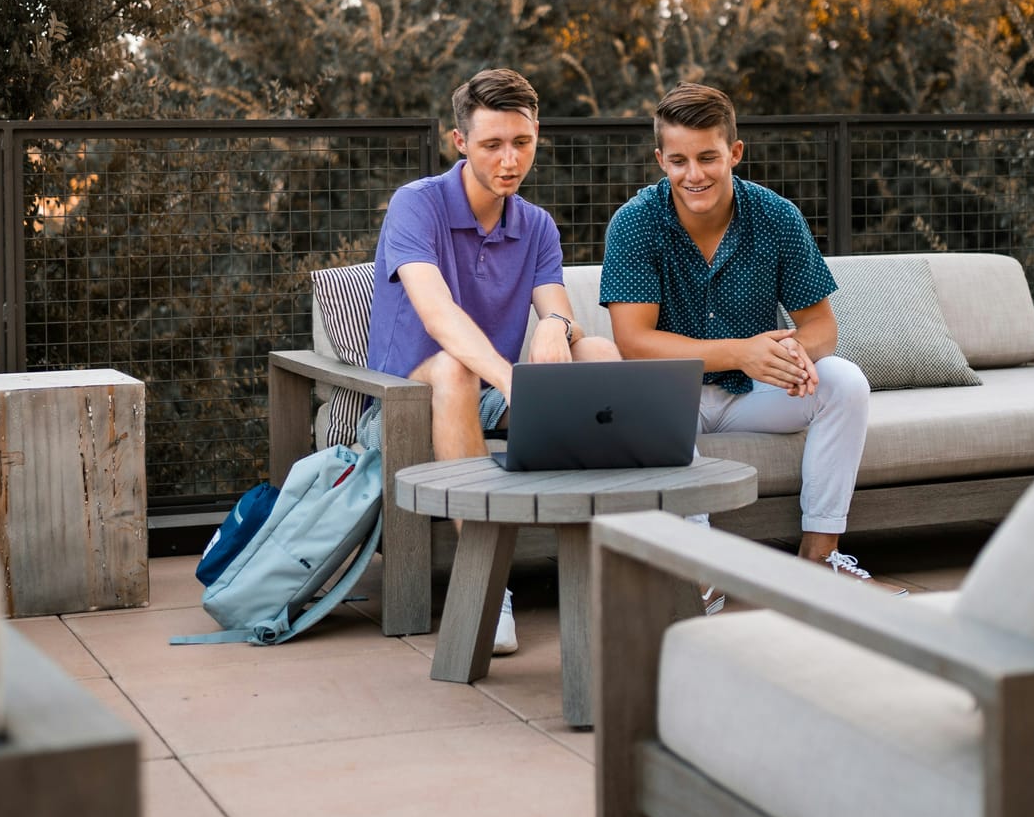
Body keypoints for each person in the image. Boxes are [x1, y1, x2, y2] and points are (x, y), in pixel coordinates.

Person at [365, 68, 620, 654]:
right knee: (455, 368)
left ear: (537, 136)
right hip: (404, 406)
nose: (510, 160)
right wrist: (512, 379)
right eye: (492, 145)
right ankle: (488, 588)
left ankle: (616, 566)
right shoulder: (416, 205)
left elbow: (559, 310)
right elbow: (438, 317)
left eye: (522, 143)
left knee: (599, 351)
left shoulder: (535, 225)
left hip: (494, 397)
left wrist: (557, 328)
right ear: (460, 143)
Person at [600, 83, 876, 586]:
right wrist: (743, 352)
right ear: (661, 159)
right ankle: (700, 574)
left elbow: (822, 328)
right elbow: (634, 342)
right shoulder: (634, 224)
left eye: (708, 157)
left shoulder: (776, 215)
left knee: (845, 382)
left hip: (753, 396)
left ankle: (819, 561)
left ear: (735, 153)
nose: (695, 175)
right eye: (679, 160)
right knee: (642, 401)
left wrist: (788, 354)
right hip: (671, 402)